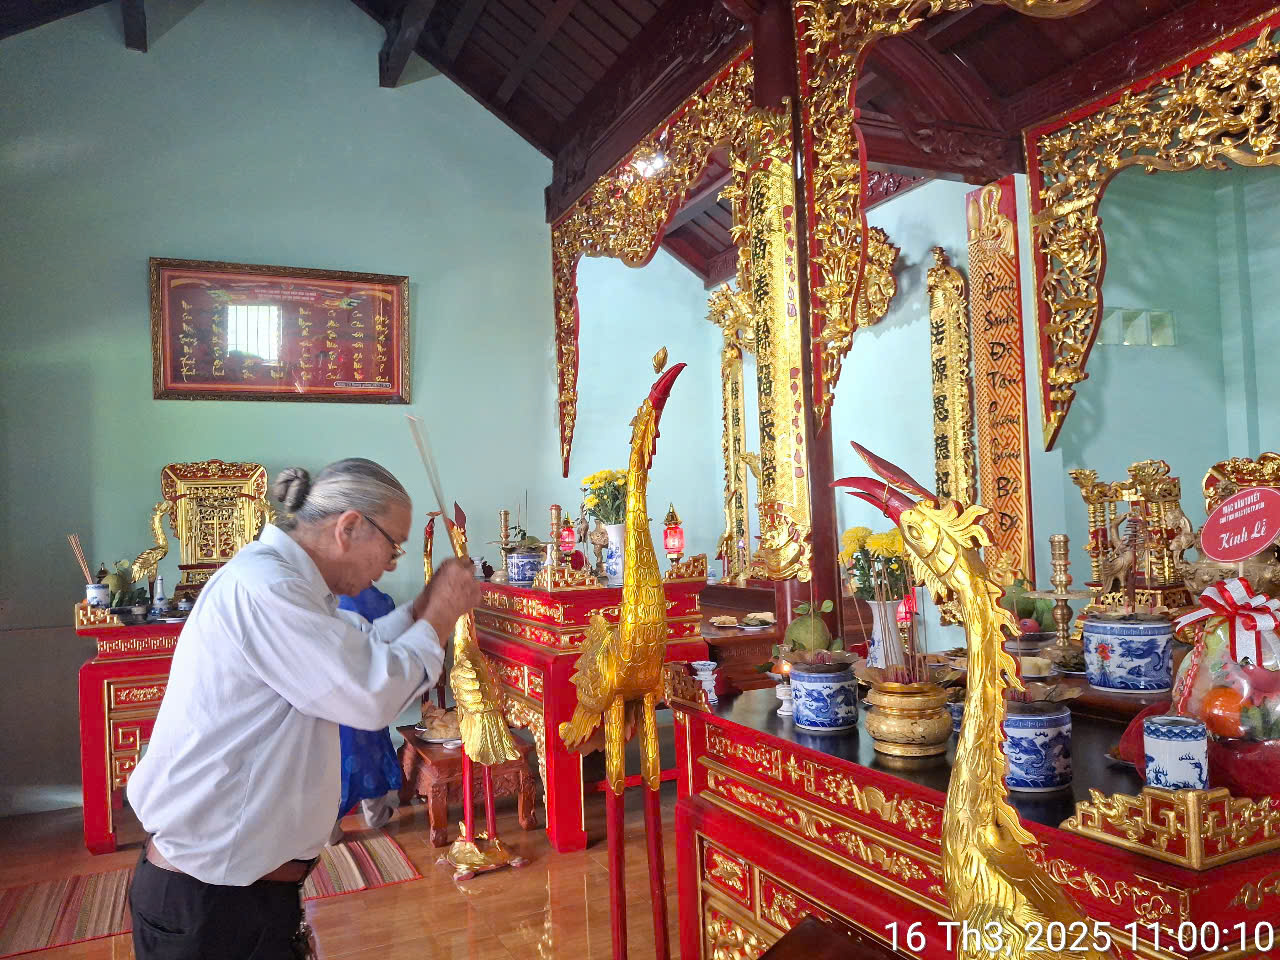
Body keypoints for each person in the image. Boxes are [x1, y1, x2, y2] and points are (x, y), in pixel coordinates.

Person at [126, 458, 480, 960]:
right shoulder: (266, 587)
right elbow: (369, 694)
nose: (391, 564)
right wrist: (440, 615)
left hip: (242, 893)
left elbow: (364, 648)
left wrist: (426, 606)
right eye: (393, 546)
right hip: (211, 901)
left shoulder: (290, 585)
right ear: (349, 527)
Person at [332, 584, 403, 842]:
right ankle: (376, 814)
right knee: (373, 753)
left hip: (334, 695)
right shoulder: (381, 601)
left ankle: (330, 827)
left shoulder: (327, 599)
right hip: (369, 693)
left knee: (336, 762)